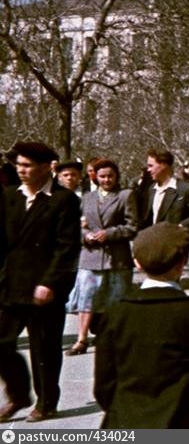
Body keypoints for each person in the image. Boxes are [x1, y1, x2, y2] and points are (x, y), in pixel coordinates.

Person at [93, 222, 189, 428]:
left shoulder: (117, 313)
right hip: (181, 421)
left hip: (126, 421)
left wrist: (121, 410)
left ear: (137, 263)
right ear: (182, 263)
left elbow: (104, 382)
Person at [0, 141, 81, 423]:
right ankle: (19, 395)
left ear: (48, 167)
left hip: (45, 289)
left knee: (44, 349)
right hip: (11, 285)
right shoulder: (9, 196)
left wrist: (51, 282)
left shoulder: (64, 200)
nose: (21, 170)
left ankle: (47, 403)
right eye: (18, 165)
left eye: (27, 165)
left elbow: (67, 248)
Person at [64, 159, 138, 357]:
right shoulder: (87, 197)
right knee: (87, 299)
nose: (106, 180)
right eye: (102, 176)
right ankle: (81, 339)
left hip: (117, 258)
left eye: (110, 176)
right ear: (95, 177)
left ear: (117, 176)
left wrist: (110, 233)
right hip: (90, 257)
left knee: (116, 301)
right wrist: (85, 235)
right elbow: (77, 225)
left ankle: (112, 337)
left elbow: (133, 226)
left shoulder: (125, 195)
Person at [137, 149, 189, 232]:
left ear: (164, 165)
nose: (148, 170)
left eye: (151, 166)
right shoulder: (151, 189)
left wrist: (182, 226)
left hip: (175, 242)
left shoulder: (184, 189)